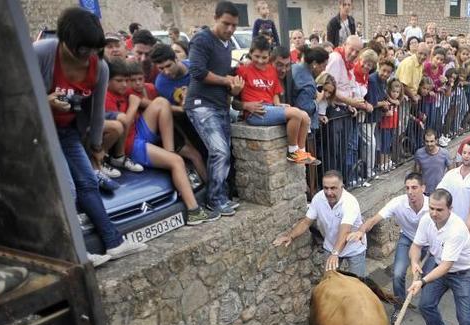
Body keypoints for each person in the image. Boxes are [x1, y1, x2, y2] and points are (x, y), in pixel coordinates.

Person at [35, 7, 146, 265]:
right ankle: (74, 253)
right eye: (82, 51)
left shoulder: (100, 67)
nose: (87, 58)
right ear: (65, 43)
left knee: (87, 182)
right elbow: (14, 96)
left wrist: (97, 145)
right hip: (40, 133)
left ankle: (114, 243)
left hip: (69, 131)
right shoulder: (42, 53)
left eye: (93, 51)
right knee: (68, 188)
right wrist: (45, 101)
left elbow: (97, 112)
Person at [105, 58, 218, 226]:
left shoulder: (130, 92)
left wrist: (182, 108)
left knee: (161, 103)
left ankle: (169, 150)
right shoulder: (108, 97)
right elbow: (123, 127)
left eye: (127, 81)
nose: (125, 84)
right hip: (130, 144)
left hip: (139, 131)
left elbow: (151, 104)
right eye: (120, 81)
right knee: (177, 162)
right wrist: (133, 106)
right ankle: (194, 212)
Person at [408, 189, 470, 325]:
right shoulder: (426, 220)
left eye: (439, 210)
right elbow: (416, 246)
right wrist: (415, 262)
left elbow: (447, 266)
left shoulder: (456, 229)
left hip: (463, 272)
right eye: (431, 208)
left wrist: (422, 281)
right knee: (425, 305)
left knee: (465, 319)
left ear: (450, 209)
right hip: (438, 263)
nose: (433, 213)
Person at [185, 1, 242, 216]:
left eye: (234, 25)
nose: (230, 29)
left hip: (220, 105)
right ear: (216, 18)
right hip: (201, 105)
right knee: (219, 151)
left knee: (222, 153)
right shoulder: (202, 39)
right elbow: (198, 72)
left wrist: (233, 89)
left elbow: (223, 77)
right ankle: (215, 200)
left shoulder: (227, 45)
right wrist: (227, 81)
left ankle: (222, 196)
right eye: (226, 24)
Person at [348, 173, 428, 322]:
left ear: (423, 188)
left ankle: (428, 305)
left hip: (429, 245)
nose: (410, 192)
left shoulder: (432, 207)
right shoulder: (398, 203)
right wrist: (360, 231)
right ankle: (399, 306)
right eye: (407, 188)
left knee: (428, 278)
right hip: (408, 239)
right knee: (397, 274)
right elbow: (373, 220)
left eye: (414, 187)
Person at [234, 37, 316, 164]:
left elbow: (274, 93)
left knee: (305, 116)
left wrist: (278, 104)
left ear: (269, 57)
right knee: (295, 113)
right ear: (250, 53)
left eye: (264, 57)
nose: (260, 61)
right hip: (256, 112)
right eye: (256, 56)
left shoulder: (271, 71)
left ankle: (301, 151)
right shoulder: (243, 70)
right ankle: (293, 152)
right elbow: (234, 100)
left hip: (270, 108)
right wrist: (245, 105)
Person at [273, 170, 367, 276]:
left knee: (357, 284)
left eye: (333, 188)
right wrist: (290, 236)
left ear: (342, 187)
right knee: (329, 282)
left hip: (353, 248)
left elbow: (344, 232)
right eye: (325, 188)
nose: (328, 192)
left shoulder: (350, 203)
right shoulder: (318, 198)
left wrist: (335, 253)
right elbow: (306, 222)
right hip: (331, 245)